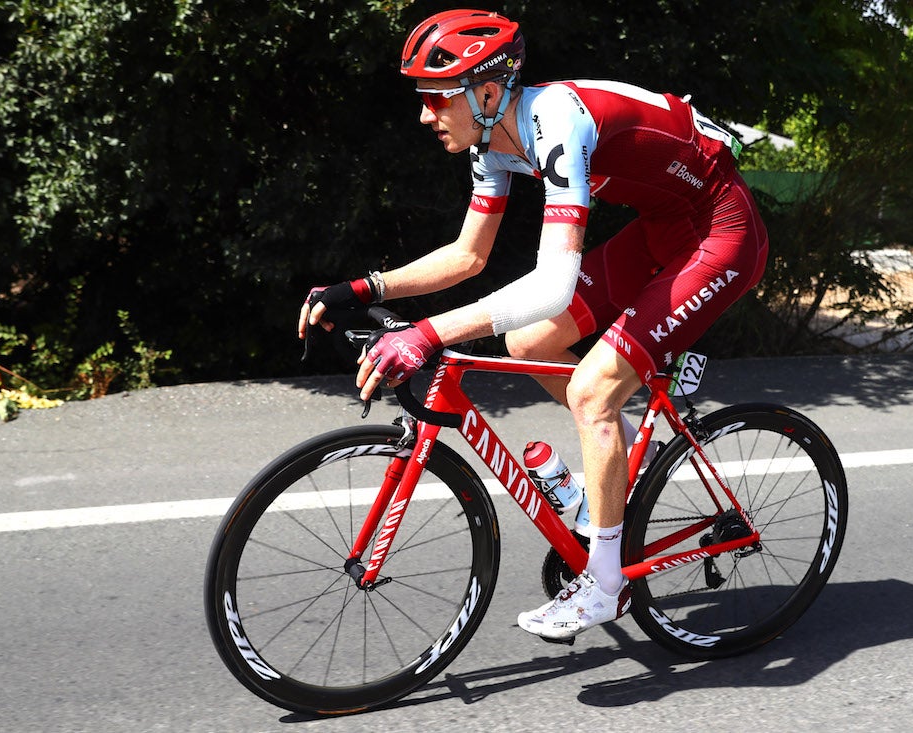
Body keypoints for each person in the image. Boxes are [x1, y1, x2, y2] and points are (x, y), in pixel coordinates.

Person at [298, 9, 769, 641]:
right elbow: (469, 255)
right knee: (529, 341)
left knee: (591, 392)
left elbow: (553, 284)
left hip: (722, 231)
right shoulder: (494, 141)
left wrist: (428, 334)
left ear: (487, 92)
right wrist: (363, 287)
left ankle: (606, 585)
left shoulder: (556, 123)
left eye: (437, 100)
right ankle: (635, 457)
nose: (424, 116)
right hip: (664, 229)